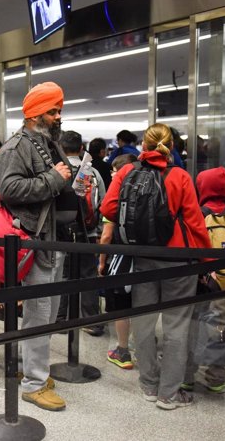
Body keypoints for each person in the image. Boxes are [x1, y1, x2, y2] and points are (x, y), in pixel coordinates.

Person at [99, 123, 211, 410]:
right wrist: (207, 261)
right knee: (176, 326)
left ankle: (148, 385)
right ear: (171, 146)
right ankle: (168, 394)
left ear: (144, 146)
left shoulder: (126, 171)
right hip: (178, 262)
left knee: (144, 323)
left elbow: (108, 209)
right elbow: (195, 223)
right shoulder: (181, 177)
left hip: (143, 257)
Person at [0, 81, 74, 412]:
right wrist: (55, 179)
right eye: (53, 111)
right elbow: (9, 188)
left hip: (53, 240)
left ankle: (33, 369)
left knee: (47, 312)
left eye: (59, 110)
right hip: (35, 242)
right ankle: (33, 384)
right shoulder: (16, 148)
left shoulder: (44, 143)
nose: (58, 117)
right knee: (40, 313)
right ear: (34, 114)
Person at [183, 166, 225, 394]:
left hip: (201, 281)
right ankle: (216, 376)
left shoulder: (198, 212)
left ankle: (187, 375)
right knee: (221, 326)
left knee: (193, 324)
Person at [59, 130, 107, 337]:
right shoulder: (92, 173)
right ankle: (91, 321)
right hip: (88, 232)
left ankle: (60, 319)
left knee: (62, 275)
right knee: (88, 274)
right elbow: (102, 203)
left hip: (61, 233)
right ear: (81, 149)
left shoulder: (58, 170)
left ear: (60, 148)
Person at [98, 153, 138, 369]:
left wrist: (101, 263)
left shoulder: (116, 197)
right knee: (141, 304)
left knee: (121, 305)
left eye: (114, 171)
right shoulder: (149, 189)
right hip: (145, 258)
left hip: (122, 259)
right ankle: (143, 346)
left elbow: (106, 236)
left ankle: (122, 351)